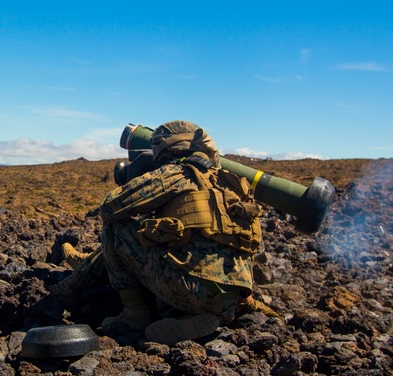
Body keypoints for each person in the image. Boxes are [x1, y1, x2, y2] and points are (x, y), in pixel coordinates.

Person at [96, 120, 273, 344]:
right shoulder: (230, 182)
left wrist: (137, 176)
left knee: (115, 227)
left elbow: (110, 208)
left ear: (165, 149)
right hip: (233, 294)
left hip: (193, 289)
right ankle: (203, 314)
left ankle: (135, 315)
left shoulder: (175, 174)